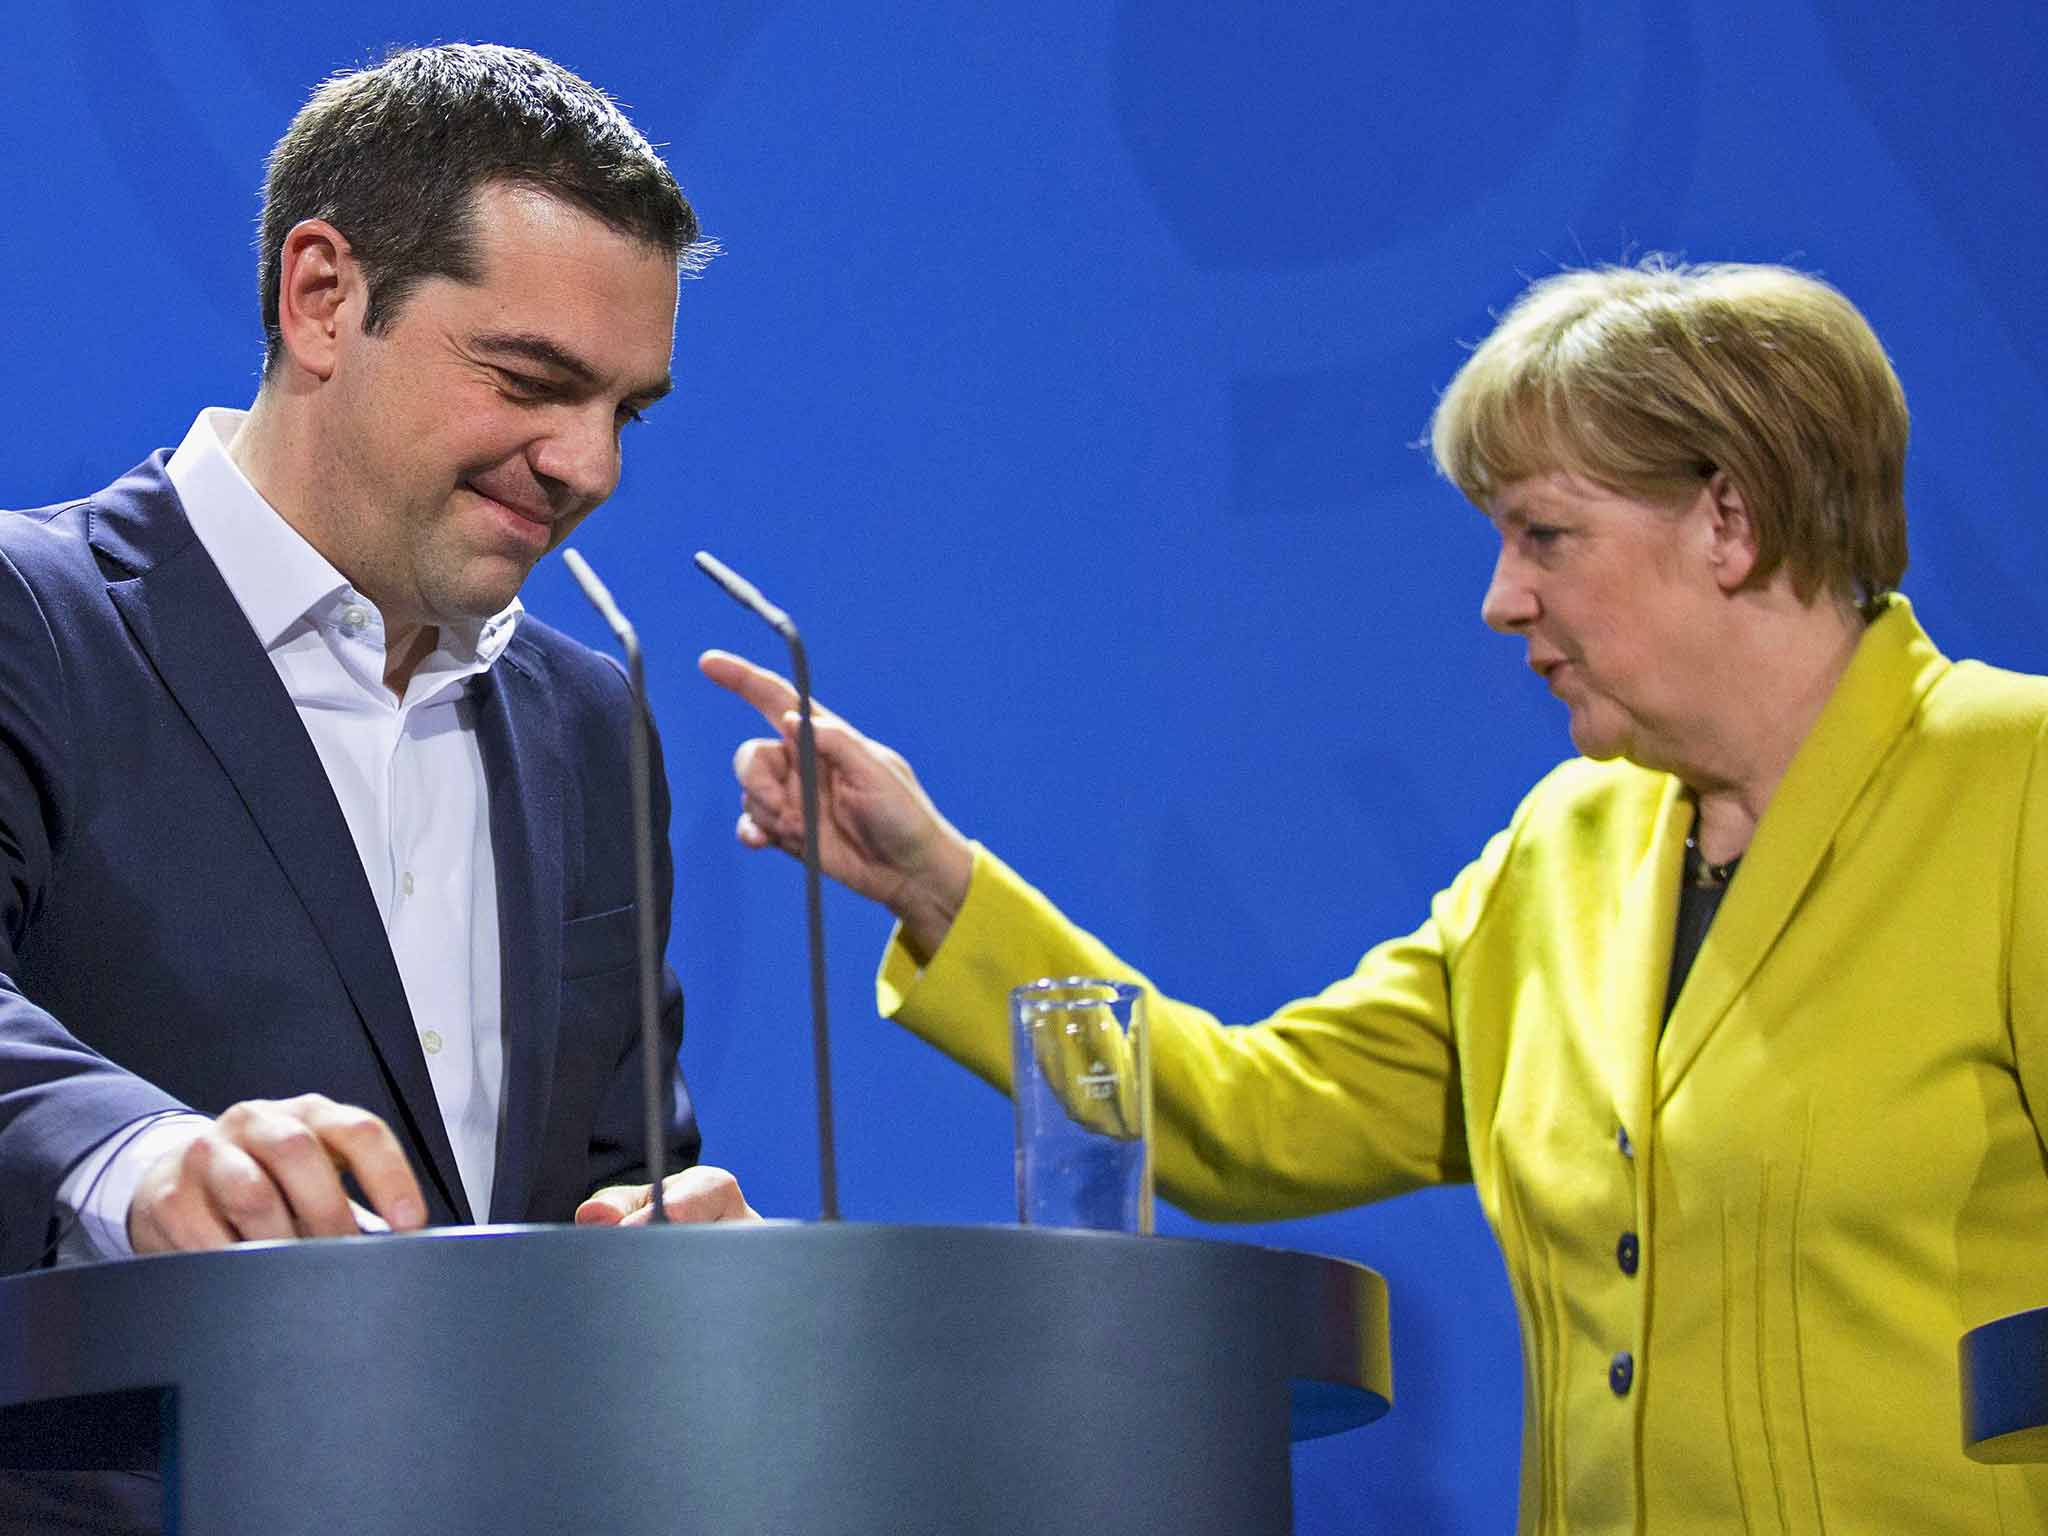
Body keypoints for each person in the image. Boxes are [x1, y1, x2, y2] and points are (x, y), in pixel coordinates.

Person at [705, 260, 2048, 1532]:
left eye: (1546, 535)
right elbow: (1250, 1121)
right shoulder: (1561, 852)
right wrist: (935, 881)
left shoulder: (2018, 787)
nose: (1500, 599)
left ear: (1730, 520)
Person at [0, 48, 759, 1268]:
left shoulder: (587, 719)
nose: (590, 468)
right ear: (321, 298)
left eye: (624, 412)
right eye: (529, 380)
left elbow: (619, 1182)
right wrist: (134, 1159)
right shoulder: (30, 616)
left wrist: (684, 1266)